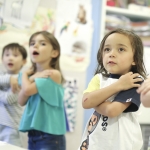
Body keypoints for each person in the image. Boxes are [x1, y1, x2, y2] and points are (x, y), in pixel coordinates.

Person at [79, 29, 147, 150]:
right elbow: (85, 102)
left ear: (134, 59)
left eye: (121, 49)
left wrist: (94, 101)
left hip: (121, 143)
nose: (112, 53)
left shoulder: (134, 80)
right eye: (107, 49)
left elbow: (112, 111)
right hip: (95, 142)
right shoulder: (99, 78)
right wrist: (118, 85)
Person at [18, 31, 66, 150]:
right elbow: (21, 100)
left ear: (54, 53)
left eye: (42, 43)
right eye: (32, 43)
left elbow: (27, 90)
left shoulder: (53, 74)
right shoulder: (31, 77)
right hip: (33, 135)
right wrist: (31, 77)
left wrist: (25, 75)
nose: (35, 46)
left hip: (50, 136)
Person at [0, 43, 27, 147]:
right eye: (7, 55)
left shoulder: (22, 78)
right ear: (2, 59)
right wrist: (9, 79)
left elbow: (9, 99)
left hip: (12, 127)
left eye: (15, 55)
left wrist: (13, 79)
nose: (10, 58)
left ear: (24, 61)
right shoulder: (2, 76)